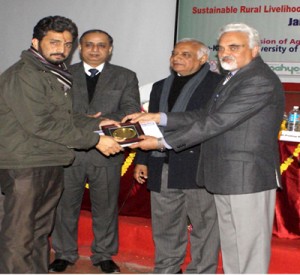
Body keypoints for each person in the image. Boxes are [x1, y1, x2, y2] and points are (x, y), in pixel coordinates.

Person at [123, 23, 285, 273]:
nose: (225, 53)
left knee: (248, 246)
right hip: (226, 175)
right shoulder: (235, 77)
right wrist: (160, 118)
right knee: (233, 245)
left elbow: (216, 122)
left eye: (234, 47)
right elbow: (204, 114)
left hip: (247, 176)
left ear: (255, 49)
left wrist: (162, 142)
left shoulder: (258, 80)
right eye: (221, 48)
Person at [0, 16, 122, 274]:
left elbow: (61, 117)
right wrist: (96, 140)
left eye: (67, 44)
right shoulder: (25, 74)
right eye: (54, 42)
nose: (62, 49)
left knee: (40, 231)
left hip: (50, 160)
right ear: (35, 42)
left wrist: (96, 124)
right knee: (19, 234)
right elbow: (40, 125)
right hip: (25, 165)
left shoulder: (52, 74)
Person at [49, 29, 140, 273]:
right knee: (65, 206)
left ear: (110, 49)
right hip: (70, 151)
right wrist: (87, 121)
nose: (95, 49)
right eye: (89, 44)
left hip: (106, 152)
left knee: (106, 206)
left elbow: (130, 110)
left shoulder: (125, 76)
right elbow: (54, 112)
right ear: (80, 47)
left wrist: (103, 121)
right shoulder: (61, 74)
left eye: (101, 45)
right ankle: (64, 253)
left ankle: (103, 254)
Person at [133, 39, 221, 274]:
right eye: (174, 53)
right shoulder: (160, 86)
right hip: (161, 164)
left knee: (204, 226)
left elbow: (205, 120)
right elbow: (149, 125)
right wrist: (142, 161)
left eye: (185, 54)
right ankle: (167, 268)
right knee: (165, 225)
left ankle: (201, 270)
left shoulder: (218, 84)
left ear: (203, 59)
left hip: (197, 165)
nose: (177, 58)